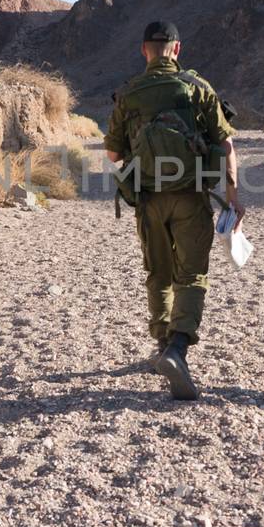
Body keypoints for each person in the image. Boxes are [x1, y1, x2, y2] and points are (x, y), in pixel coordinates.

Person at [104, 20, 244, 401]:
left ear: (143, 50)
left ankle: (163, 344)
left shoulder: (129, 93)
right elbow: (226, 144)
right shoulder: (198, 88)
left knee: (159, 273)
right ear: (177, 50)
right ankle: (178, 348)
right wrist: (233, 195)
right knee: (192, 274)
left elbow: (114, 154)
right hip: (191, 196)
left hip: (148, 200)